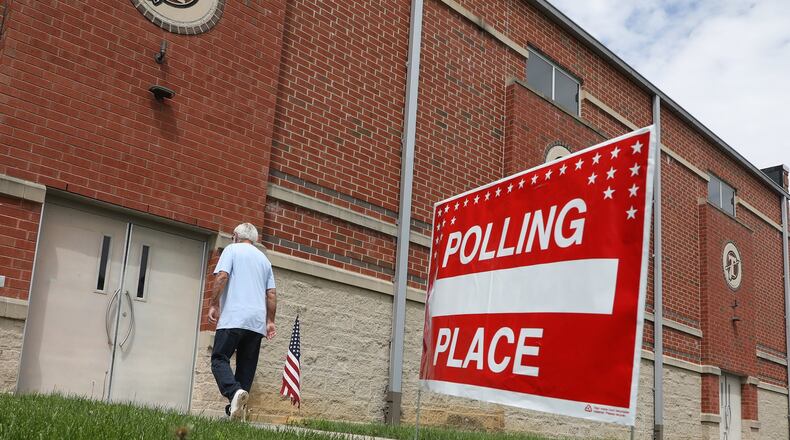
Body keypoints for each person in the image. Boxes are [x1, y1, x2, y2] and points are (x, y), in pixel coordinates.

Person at [208, 223, 277, 420]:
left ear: (236, 235)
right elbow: (271, 293)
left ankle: (233, 392)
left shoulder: (232, 249)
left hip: (233, 317)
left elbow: (222, 276)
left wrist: (214, 304)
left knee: (219, 359)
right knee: (246, 367)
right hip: (256, 323)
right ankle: (237, 411)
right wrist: (270, 321)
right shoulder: (264, 260)